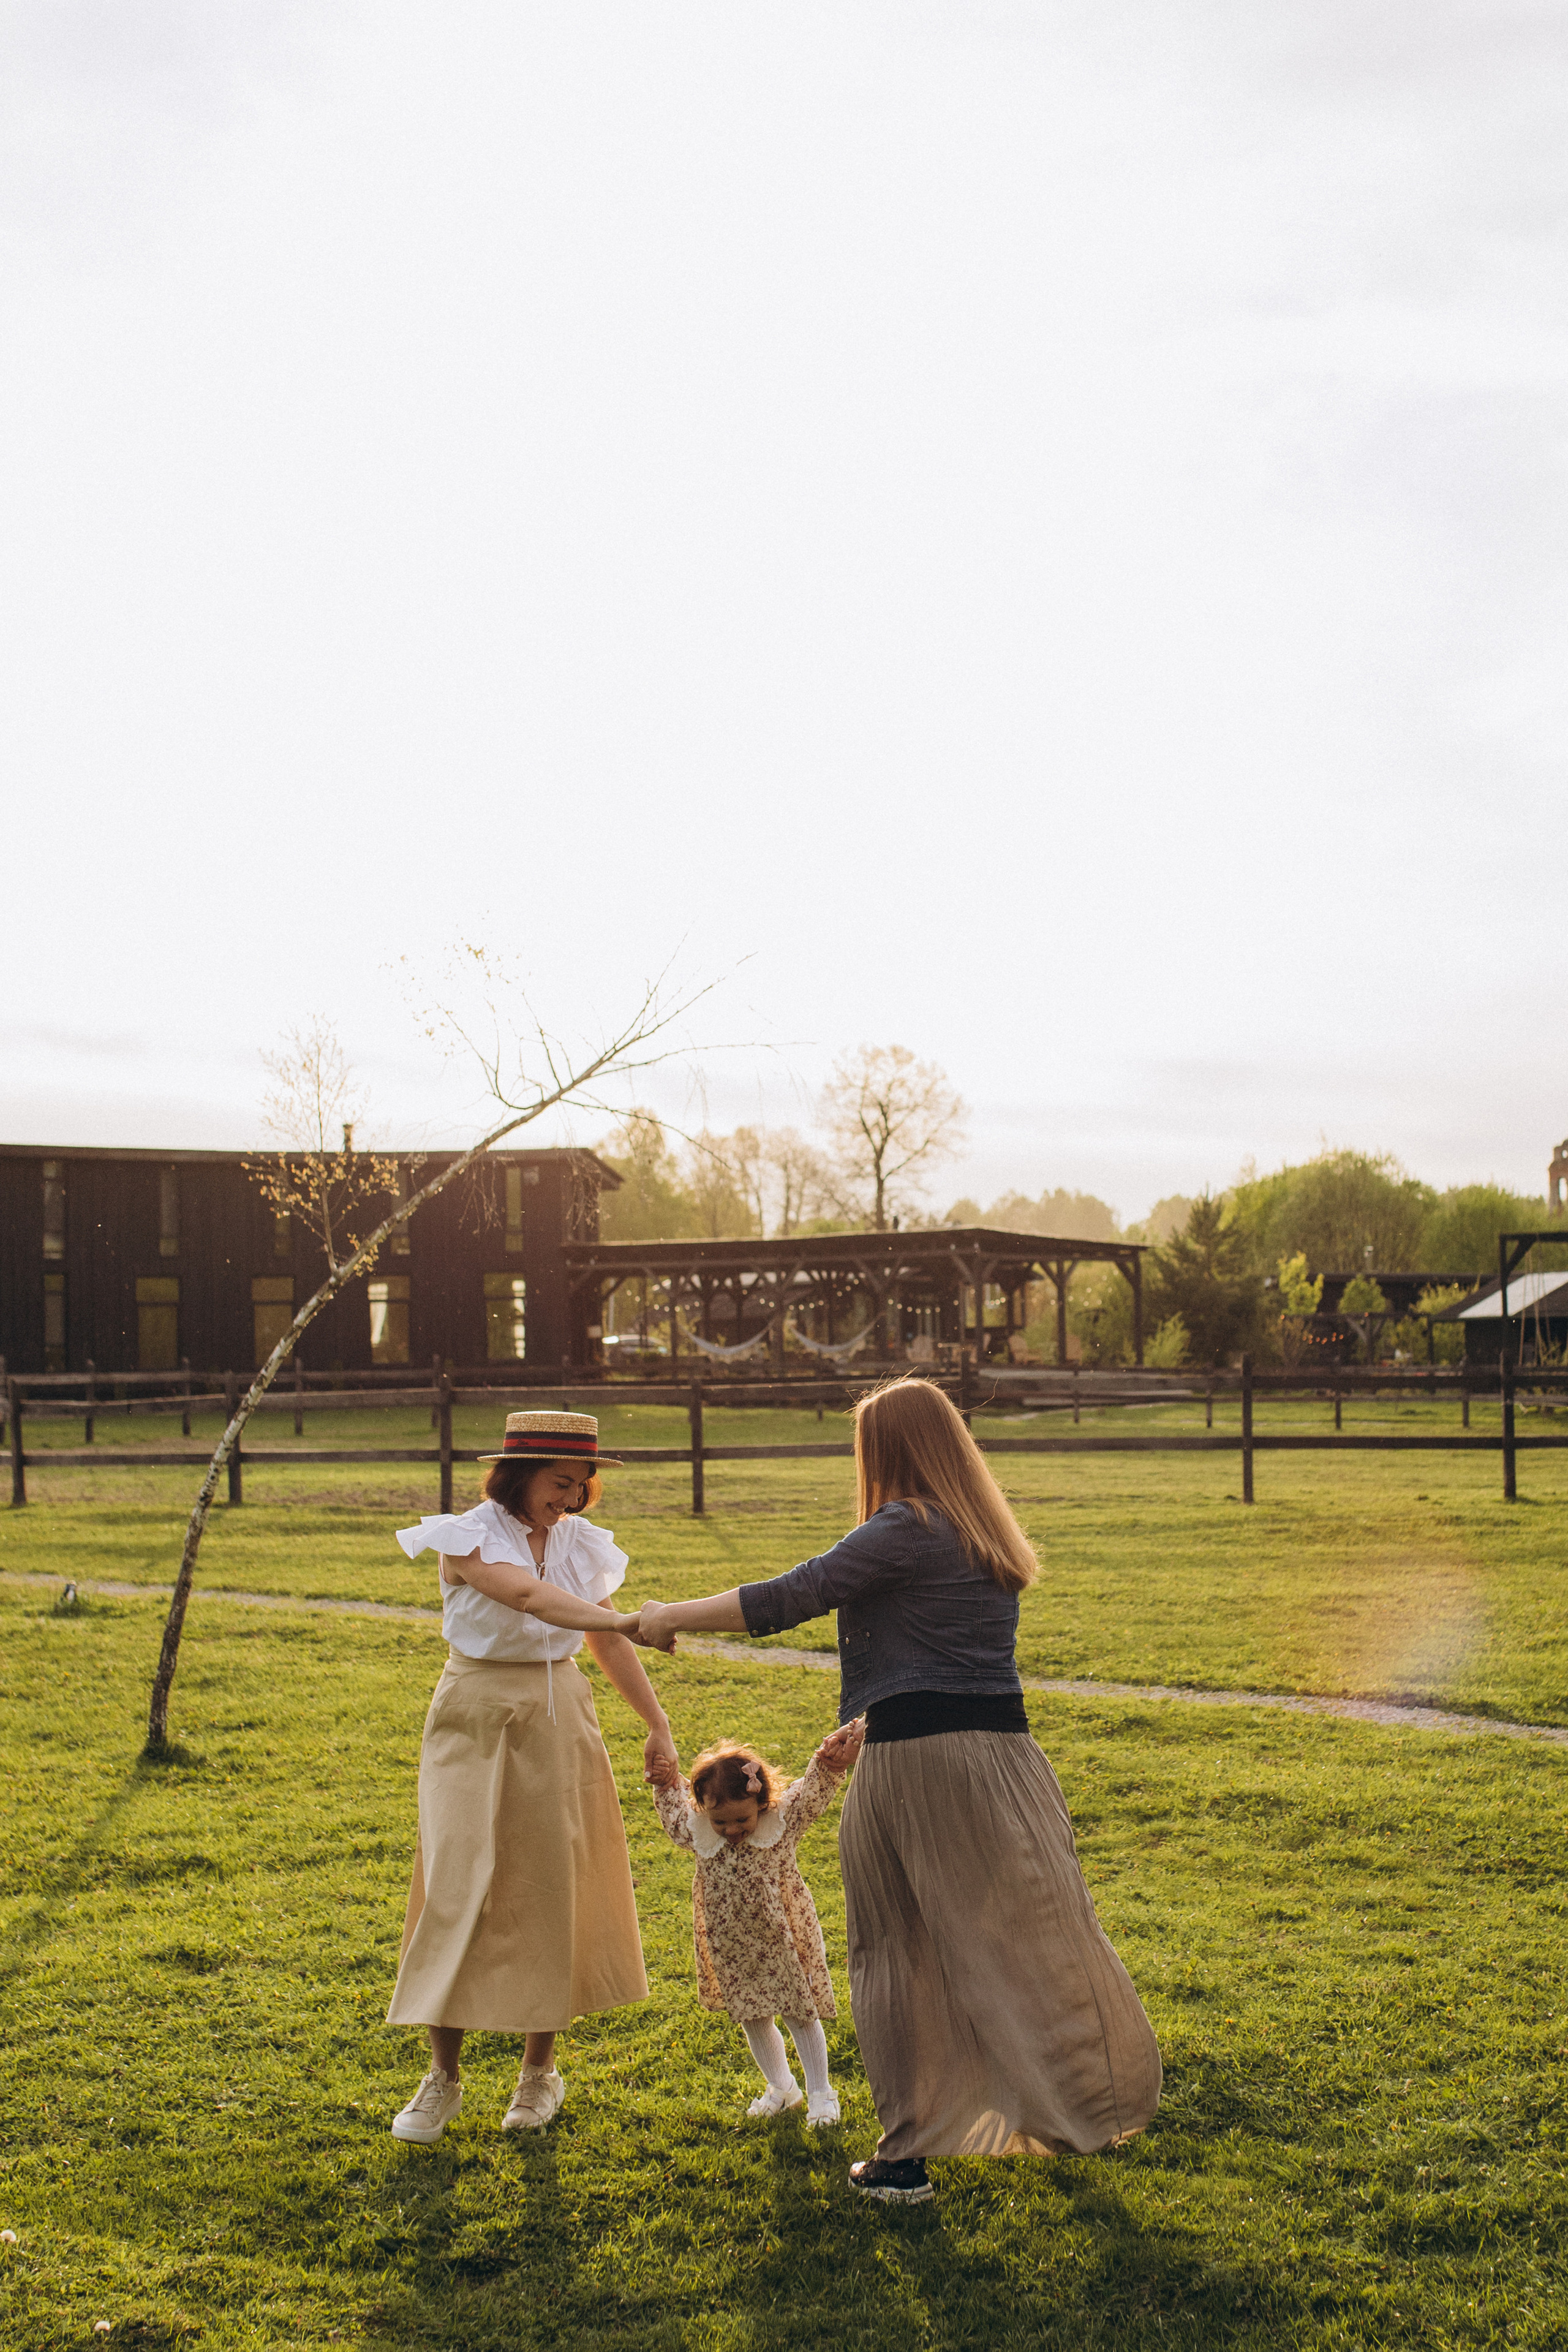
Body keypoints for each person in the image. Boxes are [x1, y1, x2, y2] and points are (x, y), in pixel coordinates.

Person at [636, 1374, 1161, 2204]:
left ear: (886, 1452)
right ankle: (1081, 2105)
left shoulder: (905, 1528)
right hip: (1008, 1755)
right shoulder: (988, 1533)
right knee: (1019, 1933)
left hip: (918, 1757)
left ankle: (906, 2154)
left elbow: (794, 1594)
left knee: (892, 1946)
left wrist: (671, 1615)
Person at [385, 1410, 675, 2145]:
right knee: (457, 1883)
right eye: (559, 1483)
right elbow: (525, 1597)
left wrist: (656, 1723)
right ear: (518, 1474)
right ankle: (441, 2079)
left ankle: (537, 2074)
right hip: (476, 1712)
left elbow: (600, 1643)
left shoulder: (580, 1544)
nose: (571, 1498)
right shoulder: (467, 1536)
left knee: (552, 1884)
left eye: (581, 1485)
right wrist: (624, 1623)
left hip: (559, 1715)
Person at [647, 1726, 864, 2126]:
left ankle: (821, 2093)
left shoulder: (781, 1822)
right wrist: (663, 1782)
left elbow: (811, 1791)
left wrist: (827, 1763)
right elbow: (674, 1810)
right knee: (753, 2015)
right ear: (704, 1811)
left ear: (761, 1802)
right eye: (720, 1822)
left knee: (801, 2012)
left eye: (741, 1819)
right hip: (732, 1945)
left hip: (783, 1938)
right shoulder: (697, 1831)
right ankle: (783, 2088)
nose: (732, 1831)